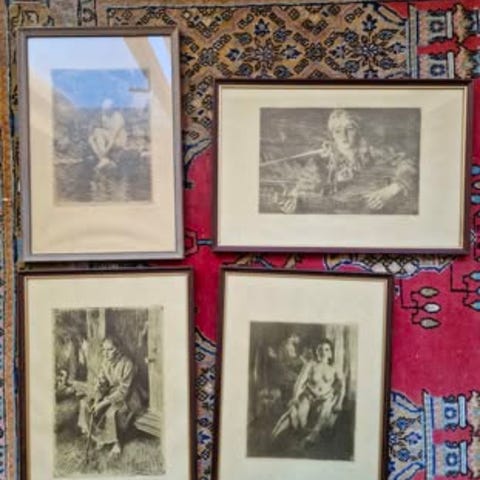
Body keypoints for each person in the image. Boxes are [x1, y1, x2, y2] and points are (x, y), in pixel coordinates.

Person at [324, 109, 418, 213]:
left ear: (358, 131)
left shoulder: (375, 151)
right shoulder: (323, 158)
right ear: (332, 134)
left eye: (350, 129)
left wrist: (391, 190)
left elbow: (409, 164)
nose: (343, 135)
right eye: (337, 131)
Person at [271, 339, 345, 445]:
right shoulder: (310, 365)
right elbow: (299, 382)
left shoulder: (335, 368)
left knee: (325, 411)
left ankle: (311, 438)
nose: (323, 352)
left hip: (325, 398)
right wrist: (295, 397)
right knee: (298, 419)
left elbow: (342, 386)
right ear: (316, 351)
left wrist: (339, 403)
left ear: (330, 353)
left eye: (326, 349)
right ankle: (274, 436)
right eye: (320, 349)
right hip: (309, 395)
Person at [77, 337, 141, 457]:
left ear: (118, 350)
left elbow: (123, 391)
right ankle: (99, 438)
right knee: (86, 403)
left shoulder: (128, 364)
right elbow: (101, 383)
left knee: (112, 412)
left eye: (110, 350)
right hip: (111, 393)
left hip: (129, 397)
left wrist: (102, 403)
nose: (106, 353)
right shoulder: (105, 362)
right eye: (104, 350)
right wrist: (97, 400)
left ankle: (117, 443)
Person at [88, 98, 128, 170]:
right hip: (108, 138)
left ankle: (103, 158)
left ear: (111, 108)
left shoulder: (118, 118)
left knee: (98, 132)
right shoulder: (104, 116)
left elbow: (113, 138)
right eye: (104, 109)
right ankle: (103, 159)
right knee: (92, 137)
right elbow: (104, 132)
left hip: (118, 140)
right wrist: (93, 138)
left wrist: (104, 152)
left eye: (106, 109)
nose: (104, 111)